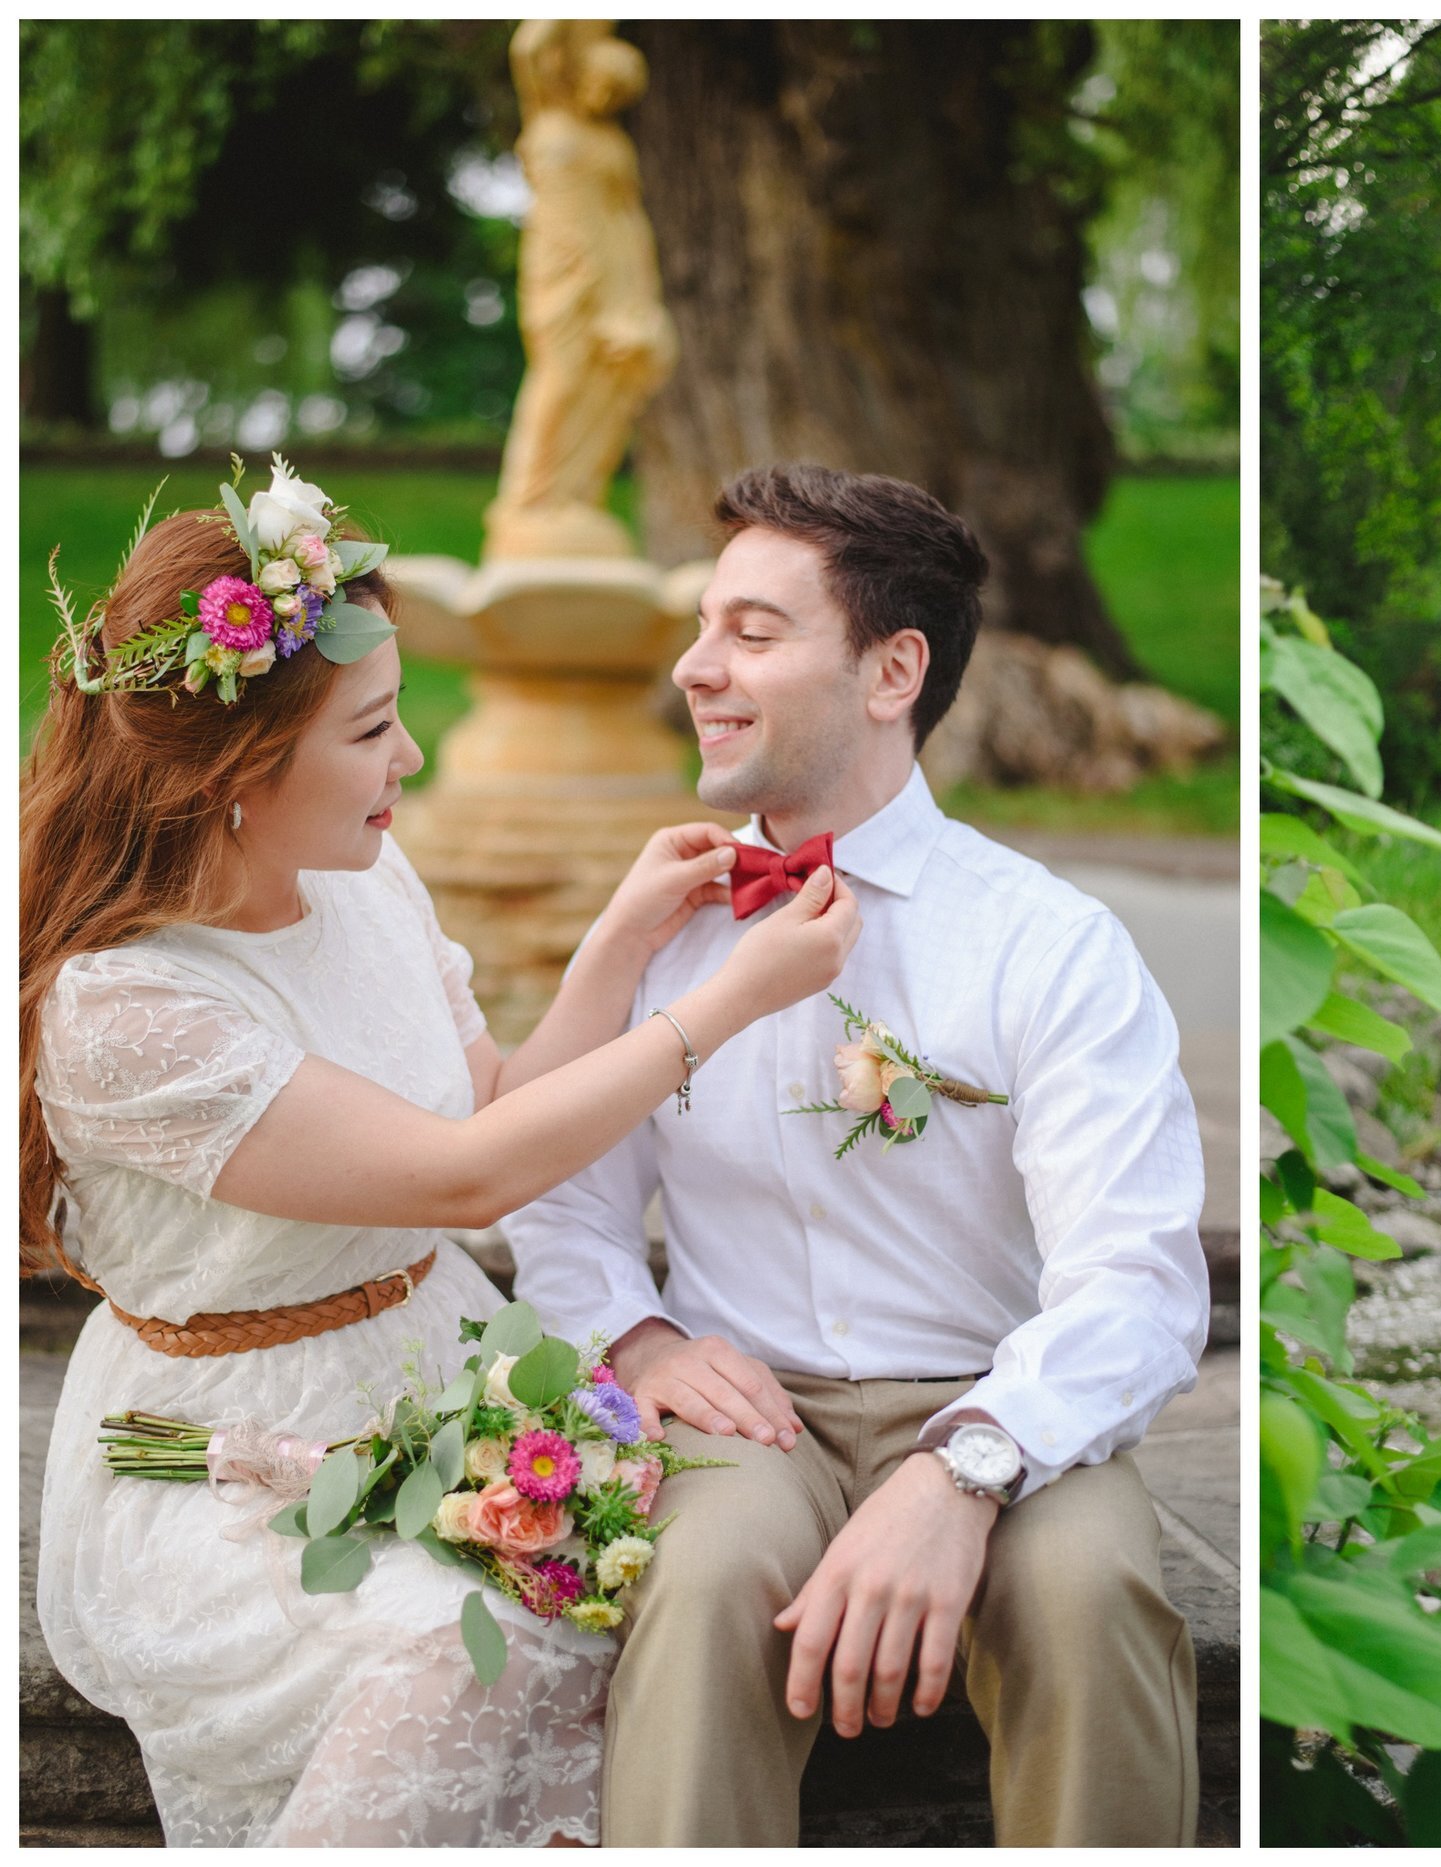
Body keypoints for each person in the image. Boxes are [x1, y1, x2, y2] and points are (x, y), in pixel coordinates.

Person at [25, 464, 862, 1847]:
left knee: (643, 1601)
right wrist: (727, 1001)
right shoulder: (128, 1009)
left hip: (431, 1366)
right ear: (238, 773)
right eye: (371, 730)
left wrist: (627, 937)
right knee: (466, 1643)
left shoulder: (367, 873)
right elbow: (464, 1179)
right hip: (225, 1447)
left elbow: (495, 1104)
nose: (410, 757)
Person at [504, 464, 1208, 1848]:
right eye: (706, 626)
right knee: (699, 1589)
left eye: (753, 634)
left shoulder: (1048, 943)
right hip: (744, 1409)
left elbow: (1137, 1278)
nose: (697, 668)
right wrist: (639, 1342)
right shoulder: (663, 925)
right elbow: (559, 1198)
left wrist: (961, 1473)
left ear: (894, 669)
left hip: (1008, 1403)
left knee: (1093, 1598)